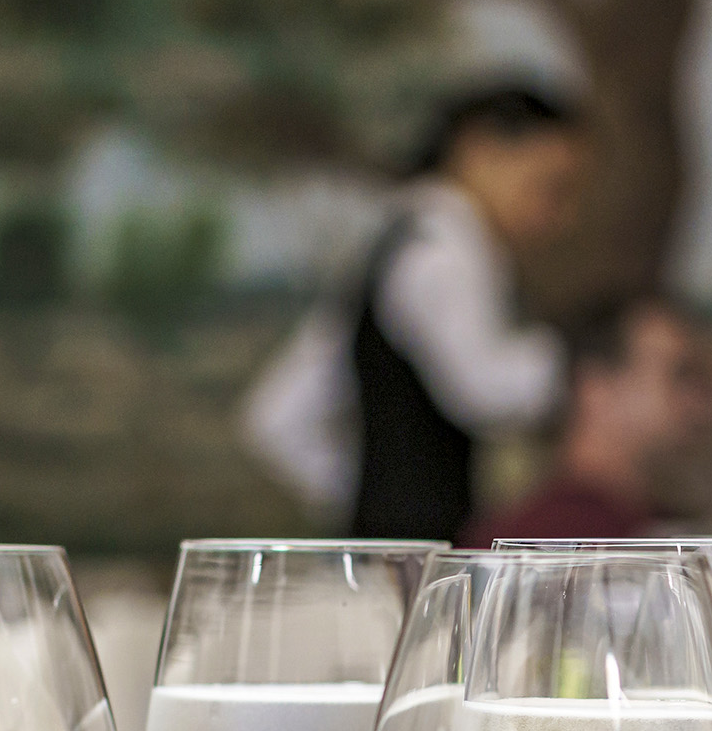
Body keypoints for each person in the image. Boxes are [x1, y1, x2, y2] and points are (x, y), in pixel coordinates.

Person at [243, 82, 588, 541]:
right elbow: (485, 389)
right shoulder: (444, 252)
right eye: (549, 189)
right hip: (425, 559)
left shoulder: (399, 239)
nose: (560, 219)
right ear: (477, 151)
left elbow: (278, 416)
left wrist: (368, 500)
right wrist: (588, 359)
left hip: (398, 547)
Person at [464, 296, 712, 546]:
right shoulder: (536, 541)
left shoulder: (653, 523)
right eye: (680, 376)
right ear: (595, 389)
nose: (701, 401)